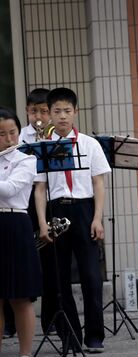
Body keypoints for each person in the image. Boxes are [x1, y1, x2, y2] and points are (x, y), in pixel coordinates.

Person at [34, 88, 110, 354]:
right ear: (50, 114)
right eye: (57, 111)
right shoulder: (43, 147)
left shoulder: (89, 144)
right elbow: (40, 188)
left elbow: (98, 183)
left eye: (67, 111)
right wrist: (42, 223)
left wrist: (97, 218)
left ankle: (95, 336)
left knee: (91, 275)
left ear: (75, 112)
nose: (63, 116)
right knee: (59, 277)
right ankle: (71, 335)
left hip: (84, 209)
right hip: (57, 210)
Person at [0, 107, 42, 357]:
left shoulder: (26, 159)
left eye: (12, 132)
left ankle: (25, 355)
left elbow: (12, 189)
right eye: (1, 134)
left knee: (21, 296)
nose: (8, 139)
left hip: (15, 223)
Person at [18, 88, 58, 336]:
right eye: (34, 111)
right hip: (25, 203)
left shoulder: (57, 138)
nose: (39, 117)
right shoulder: (19, 137)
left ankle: (52, 319)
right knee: (24, 261)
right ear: (27, 112)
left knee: (52, 262)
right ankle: (16, 321)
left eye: (44, 111)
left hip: (51, 199)